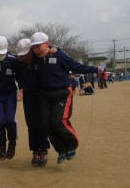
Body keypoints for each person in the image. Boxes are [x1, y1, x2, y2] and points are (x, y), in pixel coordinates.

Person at [30, 32, 102, 164]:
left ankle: (72, 144)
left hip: (62, 93)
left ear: (47, 43)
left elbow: (75, 66)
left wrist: (95, 69)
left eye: (38, 46)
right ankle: (61, 149)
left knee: (57, 122)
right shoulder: (35, 58)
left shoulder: (59, 55)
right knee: (45, 124)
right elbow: (21, 57)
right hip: (45, 95)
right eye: (33, 47)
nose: (36, 50)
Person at [15, 38, 50, 167]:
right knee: (31, 124)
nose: (22, 57)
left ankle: (44, 150)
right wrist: (20, 88)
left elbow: (54, 52)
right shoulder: (18, 63)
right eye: (20, 55)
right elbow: (18, 77)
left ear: (31, 51)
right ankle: (35, 151)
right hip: (28, 96)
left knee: (42, 123)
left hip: (42, 95)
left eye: (24, 55)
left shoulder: (40, 59)